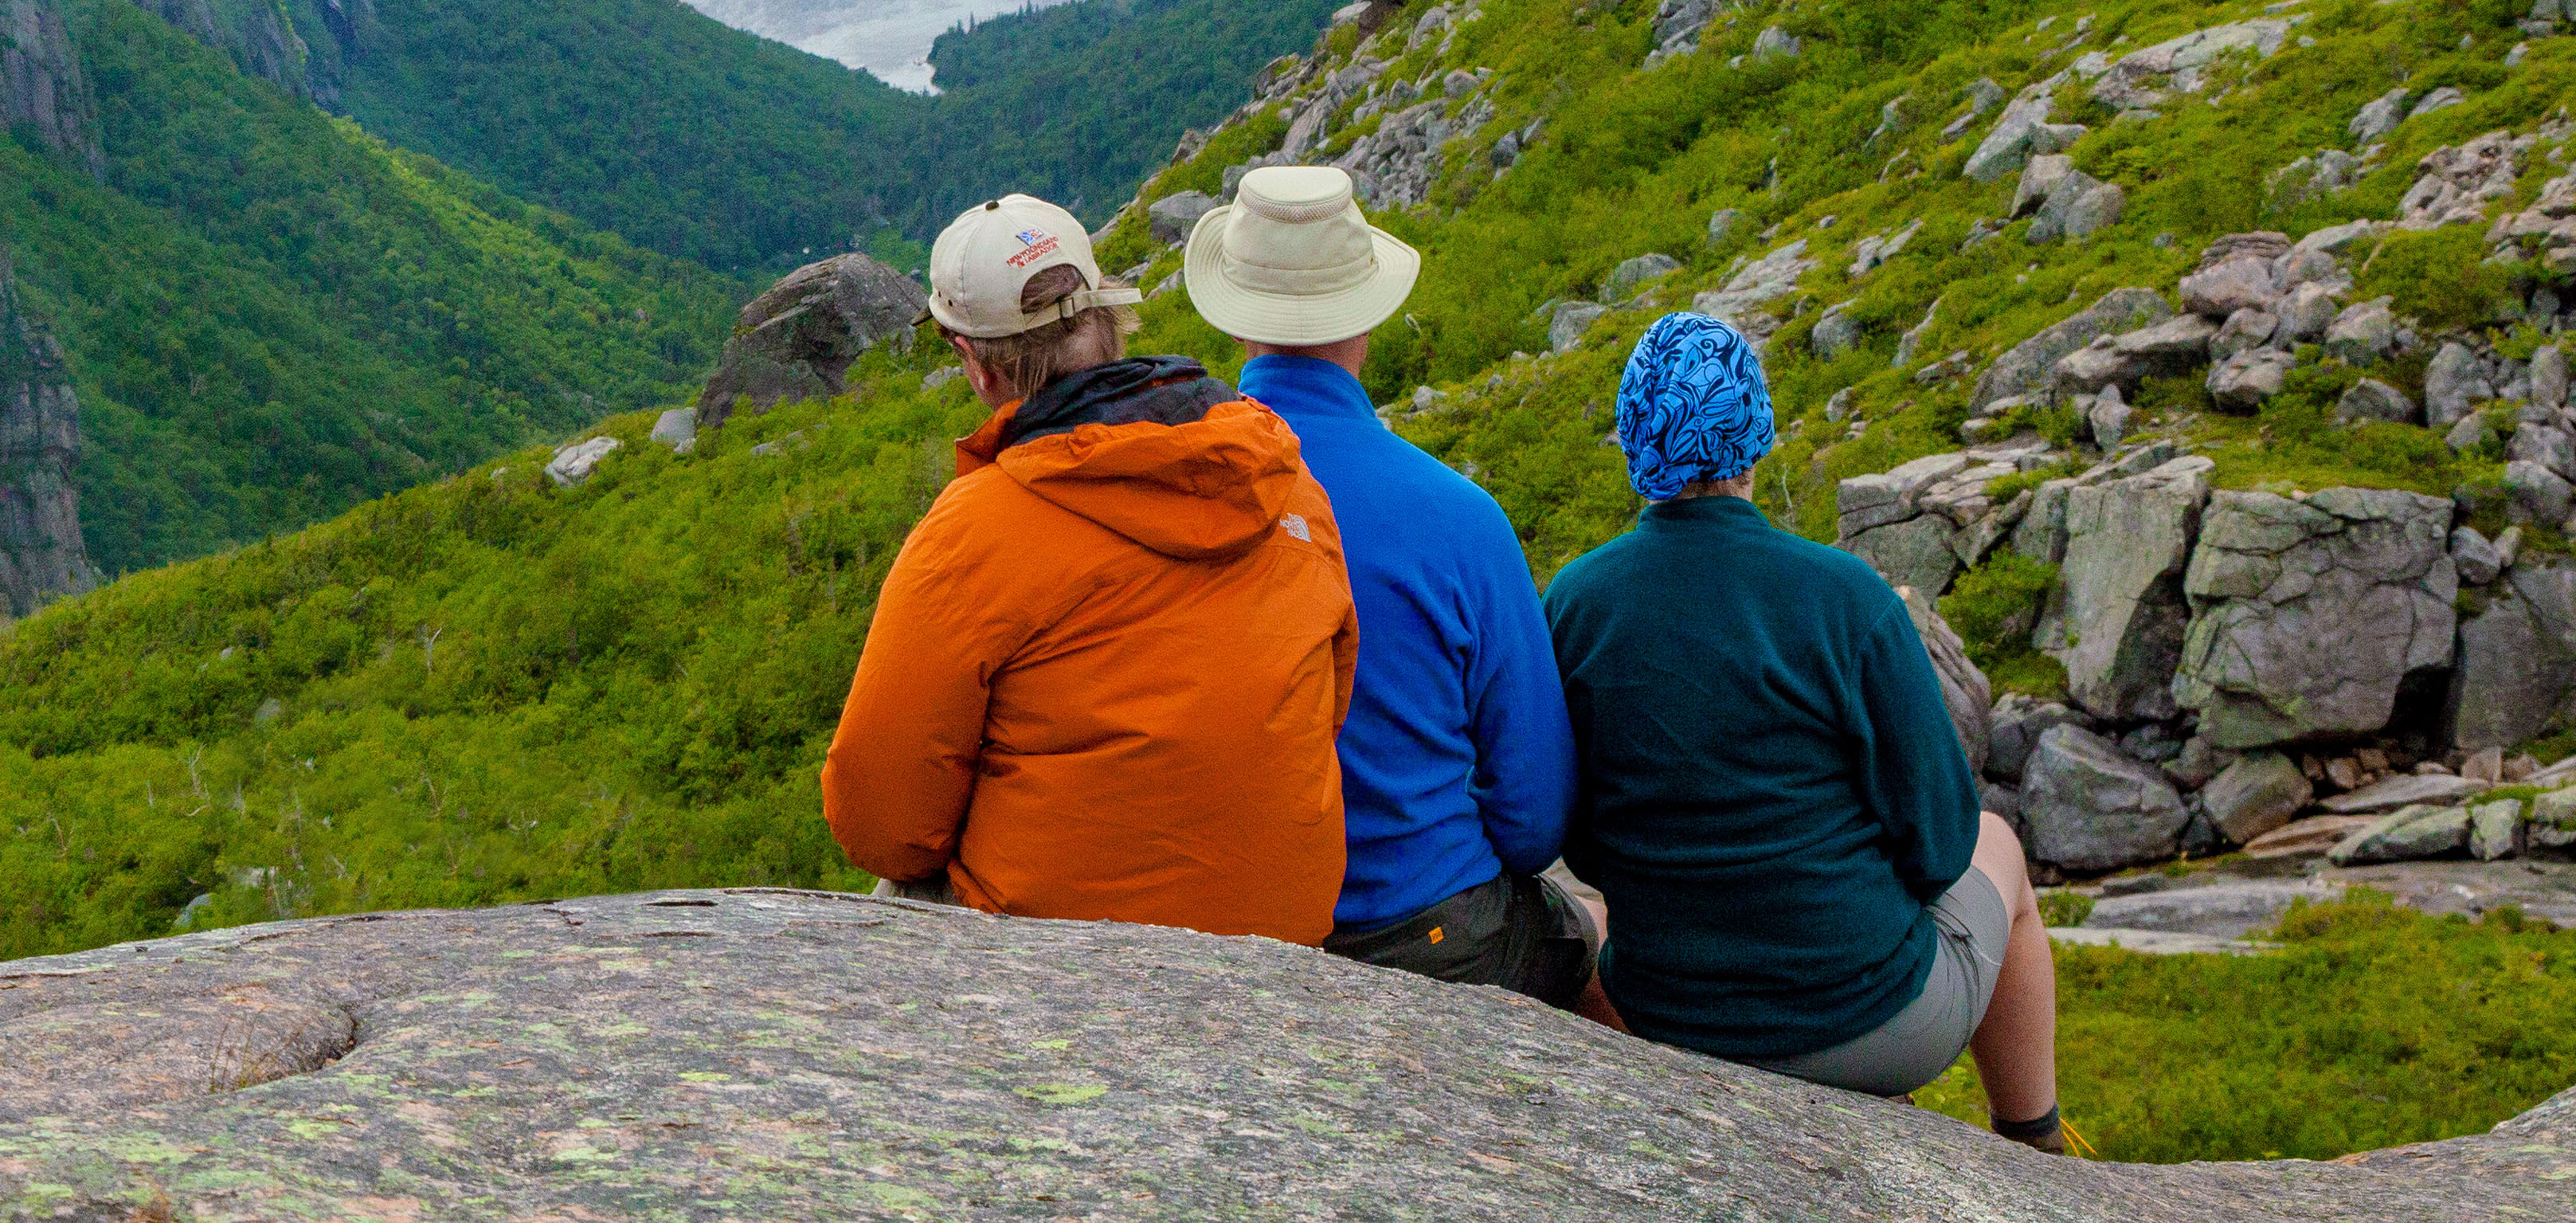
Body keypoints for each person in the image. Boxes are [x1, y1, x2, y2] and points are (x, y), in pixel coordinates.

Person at [1547, 313, 2081, 1153]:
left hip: (1670, 1014)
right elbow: (1942, 844)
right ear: (1754, 437)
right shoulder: (1845, 597)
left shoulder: (1576, 603)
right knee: (1999, 844)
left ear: (1635, 442)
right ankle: (2036, 1144)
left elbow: (1581, 846)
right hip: (1870, 1021)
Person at [823, 190, 1361, 943]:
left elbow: (883, 821)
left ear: (973, 363)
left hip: (1065, 965)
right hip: (1285, 935)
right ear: (1109, 316)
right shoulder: (1279, 475)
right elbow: (1327, 701)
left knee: (890, 896)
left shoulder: (972, 533)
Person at [1197, 163, 1590, 1005]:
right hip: (1429, 932)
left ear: (1237, 324)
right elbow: (1533, 817)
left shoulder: (1163, 495)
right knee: (1580, 938)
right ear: (1366, 321)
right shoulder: (1458, 518)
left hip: (1220, 926)